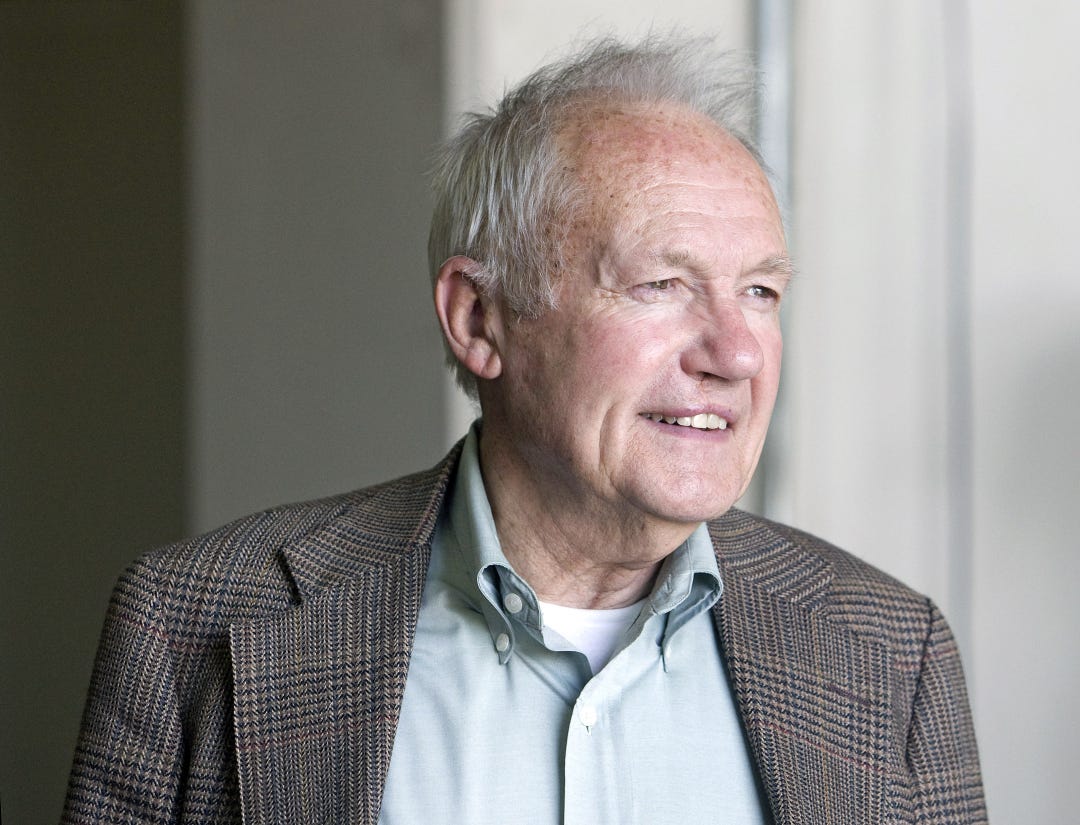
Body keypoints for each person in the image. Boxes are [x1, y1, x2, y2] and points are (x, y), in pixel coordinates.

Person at [63, 36, 987, 824]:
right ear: (479, 318)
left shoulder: (889, 653)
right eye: (661, 284)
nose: (738, 352)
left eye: (760, 291)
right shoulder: (194, 623)